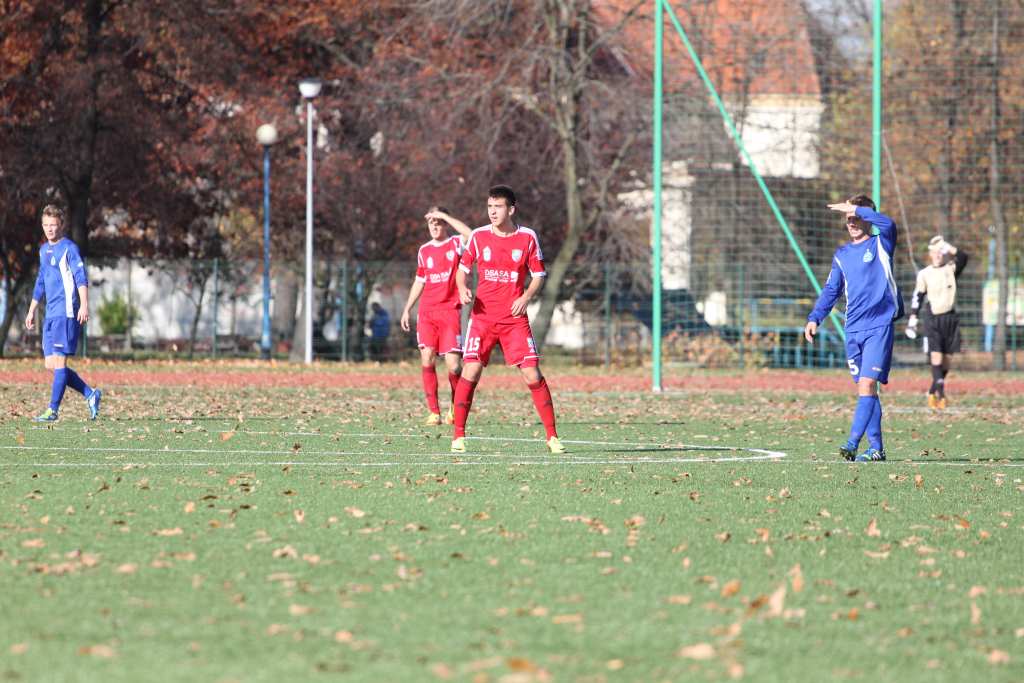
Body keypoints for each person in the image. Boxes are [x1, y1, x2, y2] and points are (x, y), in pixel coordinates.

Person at [449, 185, 565, 454]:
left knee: (532, 373)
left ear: (511, 209)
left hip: (514, 319)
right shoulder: (478, 237)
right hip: (483, 318)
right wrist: (463, 288)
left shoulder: (527, 237)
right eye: (490, 206)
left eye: (498, 207)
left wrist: (526, 297)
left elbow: (539, 275)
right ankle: (458, 436)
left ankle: (552, 436)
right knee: (470, 370)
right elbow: (462, 270)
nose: (492, 211)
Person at [804, 195, 903, 462]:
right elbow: (831, 290)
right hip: (853, 329)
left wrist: (857, 208)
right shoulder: (842, 255)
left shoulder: (881, 243)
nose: (852, 222)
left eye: (857, 217)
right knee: (865, 389)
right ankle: (876, 449)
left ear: (867, 217)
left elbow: (889, 223)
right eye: (848, 219)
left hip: (878, 326)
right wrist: (815, 318)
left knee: (868, 384)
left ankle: (851, 443)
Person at [24, 205, 102, 422]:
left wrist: (84, 305)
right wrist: (31, 310)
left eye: (54, 225)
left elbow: (81, 277)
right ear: (42, 226)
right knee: (51, 365)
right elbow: (40, 281)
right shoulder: (43, 250)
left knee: (60, 363)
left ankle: (52, 410)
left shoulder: (69, 248)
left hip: (66, 313)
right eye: (46, 225)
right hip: (50, 314)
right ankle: (90, 394)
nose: (50, 229)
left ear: (61, 225)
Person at [399, 207, 473, 426]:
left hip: (450, 311)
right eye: (431, 222)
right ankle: (434, 412)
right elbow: (420, 280)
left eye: (438, 222)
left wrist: (445, 215)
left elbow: (471, 234)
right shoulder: (424, 250)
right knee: (427, 357)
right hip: (427, 312)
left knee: (454, 366)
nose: (434, 225)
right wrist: (407, 308)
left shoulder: (456, 243)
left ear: (445, 224)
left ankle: (454, 406)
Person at [907, 236, 968, 409]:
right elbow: (918, 296)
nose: (938, 255)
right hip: (933, 318)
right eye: (935, 252)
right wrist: (913, 317)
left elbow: (963, 257)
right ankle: (940, 394)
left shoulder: (951, 269)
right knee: (936, 355)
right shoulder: (924, 274)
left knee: (947, 360)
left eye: (941, 251)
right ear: (930, 254)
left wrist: (948, 246)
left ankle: (932, 390)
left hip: (951, 318)